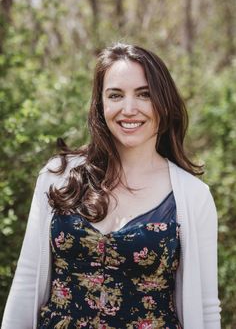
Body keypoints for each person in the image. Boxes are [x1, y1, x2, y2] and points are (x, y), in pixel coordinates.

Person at [1, 42, 221, 329]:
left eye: (144, 94)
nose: (129, 109)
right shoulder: (58, 177)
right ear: (100, 104)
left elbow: (206, 307)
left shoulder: (193, 197)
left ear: (164, 103)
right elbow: (27, 280)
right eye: (115, 95)